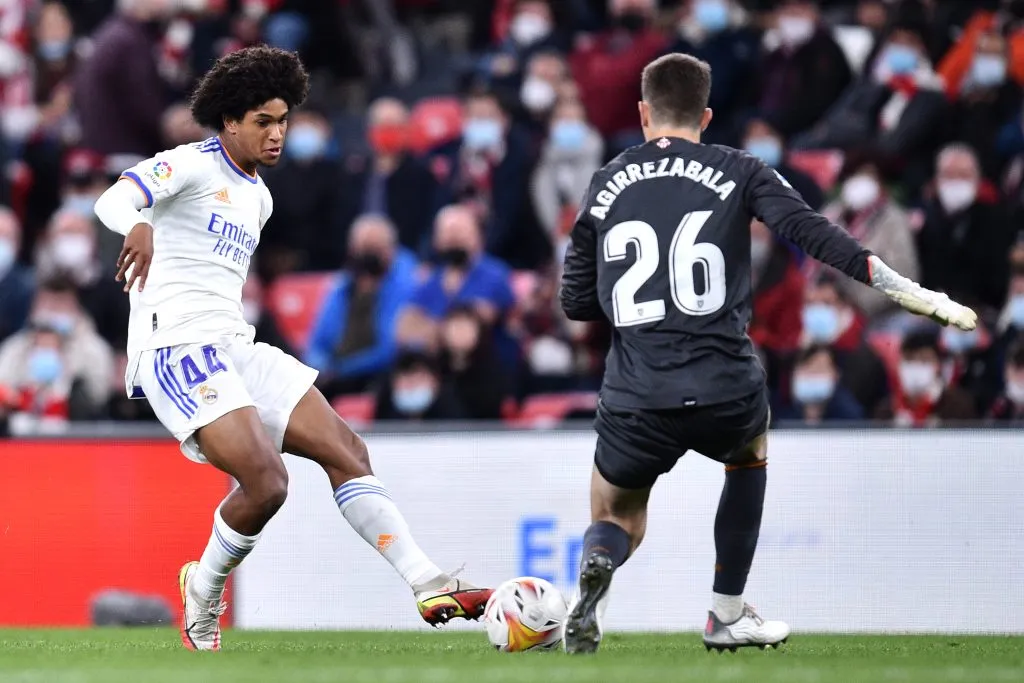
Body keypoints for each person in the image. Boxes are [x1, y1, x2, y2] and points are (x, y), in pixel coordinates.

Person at [558, 53, 976, 655]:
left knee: (616, 509)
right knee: (748, 455)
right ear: (705, 115)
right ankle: (726, 612)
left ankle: (600, 558)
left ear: (643, 112)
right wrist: (906, 291)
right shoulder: (740, 169)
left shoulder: (606, 181)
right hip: (726, 385)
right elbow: (813, 232)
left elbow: (575, 301)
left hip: (637, 392)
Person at [92, 47, 491, 653]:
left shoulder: (259, 195)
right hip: (177, 346)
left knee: (347, 448)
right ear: (229, 121)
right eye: (263, 122)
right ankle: (203, 586)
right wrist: (138, 224)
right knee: (267, 483)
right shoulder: (192, 165)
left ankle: (426, 581)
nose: (277, 134)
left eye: (283, 120)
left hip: (235, 346)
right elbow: (114, 199)